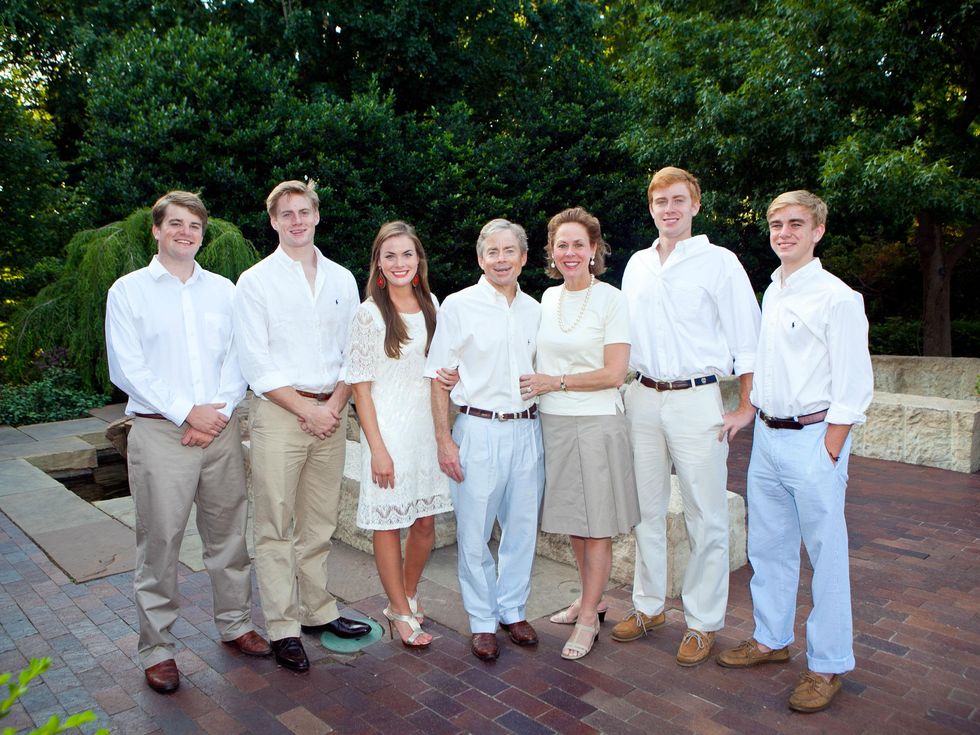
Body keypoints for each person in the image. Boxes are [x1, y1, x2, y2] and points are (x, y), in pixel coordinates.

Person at [105, 191, 271, 694]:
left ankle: (236, 623)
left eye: (194, 226)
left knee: (228, 535)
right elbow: (127, 367)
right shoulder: (129, 291)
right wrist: (186, 412)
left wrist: (213, 414)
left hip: (218, 429)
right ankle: (158, 650)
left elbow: (239, 359)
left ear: (202, 234)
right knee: (160, 542)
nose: (185, 232)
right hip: (160, 432)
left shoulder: (223, 291)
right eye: (174, 224)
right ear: (156, 230)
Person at [716, 190, 873, 713]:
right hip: (767, 438)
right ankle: (770, 640)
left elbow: (854, 387)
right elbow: (770, 362)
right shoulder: (775, 289)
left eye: (795, 224)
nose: (784, 232)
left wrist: (828, 452)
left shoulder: (838, 298)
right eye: (777, 224)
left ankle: (827, 666)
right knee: (769, 547)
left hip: (813, 441)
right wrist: (749, 408)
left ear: (818, 231)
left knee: (826, 558)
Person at [616, 167, 761, 667]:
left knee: (706, 514)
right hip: (643, 396)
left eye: (679, 200)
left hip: (698, 399)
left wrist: (745, 406)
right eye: (660, 201)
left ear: (696, 205)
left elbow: (748, 337)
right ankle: (649, 606)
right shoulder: (636, 265)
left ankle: (701, 622)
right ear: (651, 207)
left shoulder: (720, 263)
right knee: (646, 509)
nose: (669, 209)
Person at [234, 180, 370, 673]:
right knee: (274, 525)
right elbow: (255, 361)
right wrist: (306, 410)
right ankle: (284, 627)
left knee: (319, 522)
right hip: (280, 415)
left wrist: (334, 403)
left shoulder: (341, 278)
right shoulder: (255, 281)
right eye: (286, 214)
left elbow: (355, 352)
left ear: (317, 215)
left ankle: (317, 611)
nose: (296, 221)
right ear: (273, 221)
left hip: (332, 412)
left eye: (304, 211)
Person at [519, 207, 639, 661]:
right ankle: (593, 598)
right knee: (574, 517)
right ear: (550, 252)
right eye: (561, 245)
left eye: (579, 245)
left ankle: (588, 618)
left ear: (594, 250)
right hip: (553, 421)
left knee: (598, 523)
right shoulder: (546, 300)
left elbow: (614, 372)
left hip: (596, 421)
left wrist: (557, 382)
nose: (570, 253)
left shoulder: (612, 299)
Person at [425, 218, 545, 662]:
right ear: (480, 258)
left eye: (509, 251)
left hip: (527, 428)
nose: (501, 259)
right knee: (474, 532)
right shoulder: (458, 306)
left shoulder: (536, 309)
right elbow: (438, 380)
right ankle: (481, 620)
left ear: (524, 258)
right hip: (477, 428)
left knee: (521, 527)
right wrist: (444, 439)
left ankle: (512, 610)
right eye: (492, 252)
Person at [343, 221, 453, 648]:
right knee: (388, 526)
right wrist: (377, 449)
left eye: (407, 254)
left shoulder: (433, 306)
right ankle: (402, 613)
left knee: (424, 523)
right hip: (388, 433)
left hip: (425, 434)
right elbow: (361, 388)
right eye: (390, 255)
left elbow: (439, 372)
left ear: (419, 260)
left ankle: (403, 595)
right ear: (378, 265)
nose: (400, 262)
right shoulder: (369, 314)